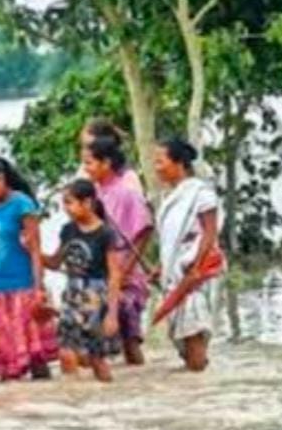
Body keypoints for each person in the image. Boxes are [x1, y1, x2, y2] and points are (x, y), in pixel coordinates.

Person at [0, 156, 57, 381]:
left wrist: (39, 290)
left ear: (1, 178)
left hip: (24, 286)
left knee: (36, 358)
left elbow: (35, 250)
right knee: (6, 360)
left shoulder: (22, 204)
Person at [82, 137, 154, 365]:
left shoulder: (127, 193)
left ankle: (138, 378)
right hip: (99, 274)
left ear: (106, 163)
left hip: (126, 274)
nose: (86, 169)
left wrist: (125, 271)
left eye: (90, 163)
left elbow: (144, 231)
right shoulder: (91, 195)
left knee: (129, 337)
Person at [43, 180, 122, 382]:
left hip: (96, 297)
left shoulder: (105, 233)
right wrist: (31, 250)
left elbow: (115, 274)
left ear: (87, 203)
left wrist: (112, 314)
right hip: (72, 295)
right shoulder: (68, 230)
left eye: (69, 203)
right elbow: (54, 262)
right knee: (66, 351)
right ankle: (73, 396)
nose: (66, 209)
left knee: (96, 357)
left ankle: (107, 395)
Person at [154, 137, 222, 372]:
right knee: (184, 344)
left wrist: (196, 268)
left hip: (195, 276)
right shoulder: (168, 197)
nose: (156, 167)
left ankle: (201, 391)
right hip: (174, 276)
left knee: (194, 338)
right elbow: (171, 240)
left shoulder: (201, 193)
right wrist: (161, 267)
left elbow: (210, 233)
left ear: (179, 163)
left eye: (160, 161)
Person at [79, 118, 144, 194]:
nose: (84, 151)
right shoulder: (85, 172)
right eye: (82, 146)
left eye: (89, 146)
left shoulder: (127, 179)